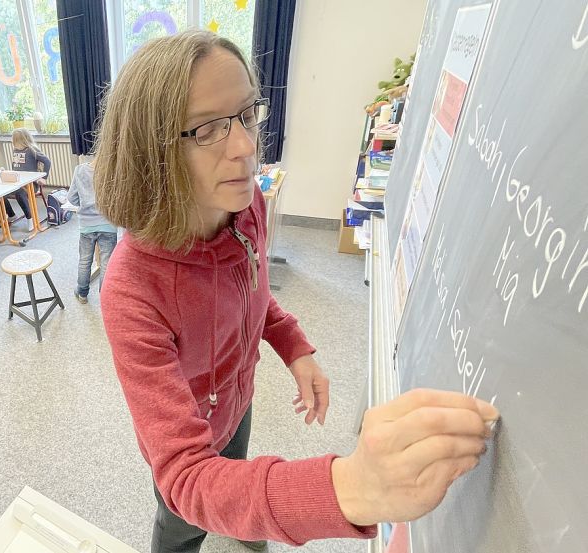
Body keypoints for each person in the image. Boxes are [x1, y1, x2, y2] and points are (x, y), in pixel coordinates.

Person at [95, 31, 498, 552]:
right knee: (181, 524)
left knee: (236, 471)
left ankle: (248, 527)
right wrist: (349, 487)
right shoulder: (131, 289)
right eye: (210, 128)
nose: (244, 146)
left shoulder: (248, 207)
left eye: (245, 115)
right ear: (152, 151)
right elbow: (186, 476)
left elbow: (253, 294)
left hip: (238, 399)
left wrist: (293, 345)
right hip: (188, 432)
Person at [66, 161, 116, 305]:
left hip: (86, 225)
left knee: (85, 260)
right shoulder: (112, 169)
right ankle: (105, 296)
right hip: (108, 223)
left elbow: (71, 198)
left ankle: (82, 294)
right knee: (107, 262)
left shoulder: (80, 170)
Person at [9, 128, 51, 222]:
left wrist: (44, 178)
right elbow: (15, 167)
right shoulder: (15, 150)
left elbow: (47, 162)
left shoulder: (31, 150)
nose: (14, 143)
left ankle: (30, 218)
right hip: (18, 182)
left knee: (19, 193)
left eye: (16, 140)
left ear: (23, 140)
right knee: (1, 193)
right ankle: (11, 215)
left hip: (31, 185)